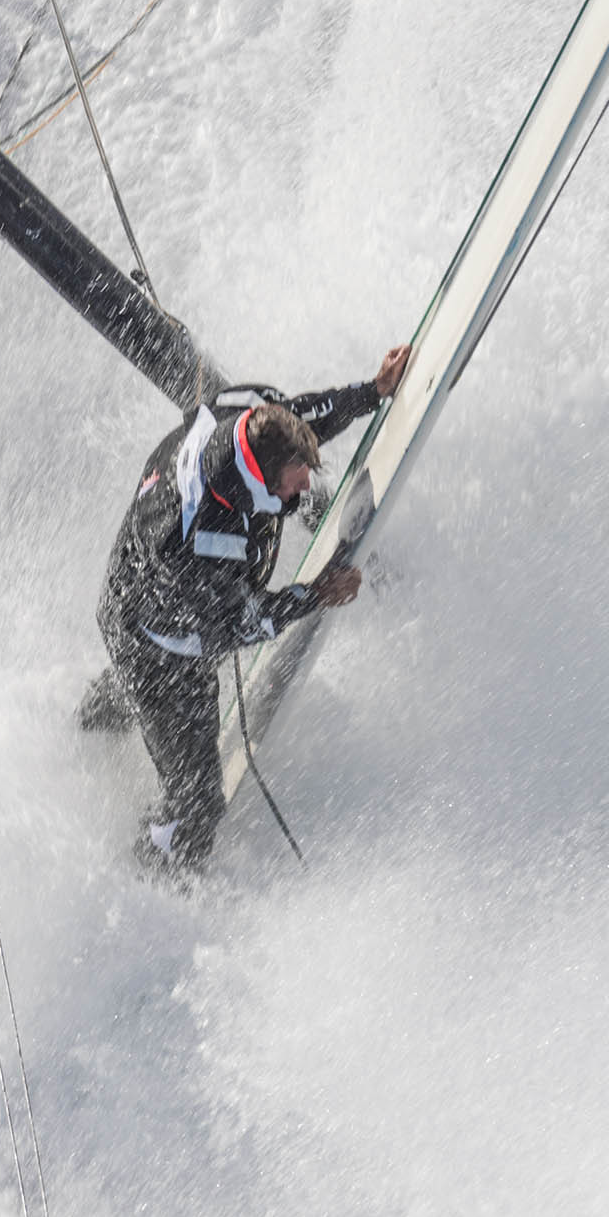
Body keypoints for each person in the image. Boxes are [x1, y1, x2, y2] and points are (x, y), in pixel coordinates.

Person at [95, 346, 410, 875]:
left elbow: (301, 418)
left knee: (128, 686)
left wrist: (370, 393)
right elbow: (237, 624)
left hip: (140, 593)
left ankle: (94, 718)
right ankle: (148, 880)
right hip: (159, 647)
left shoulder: (251, 411)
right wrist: (315, 594)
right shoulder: (201, 535)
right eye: (295, 481)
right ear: (261, 478)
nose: (307, 487)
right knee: (197, 805)